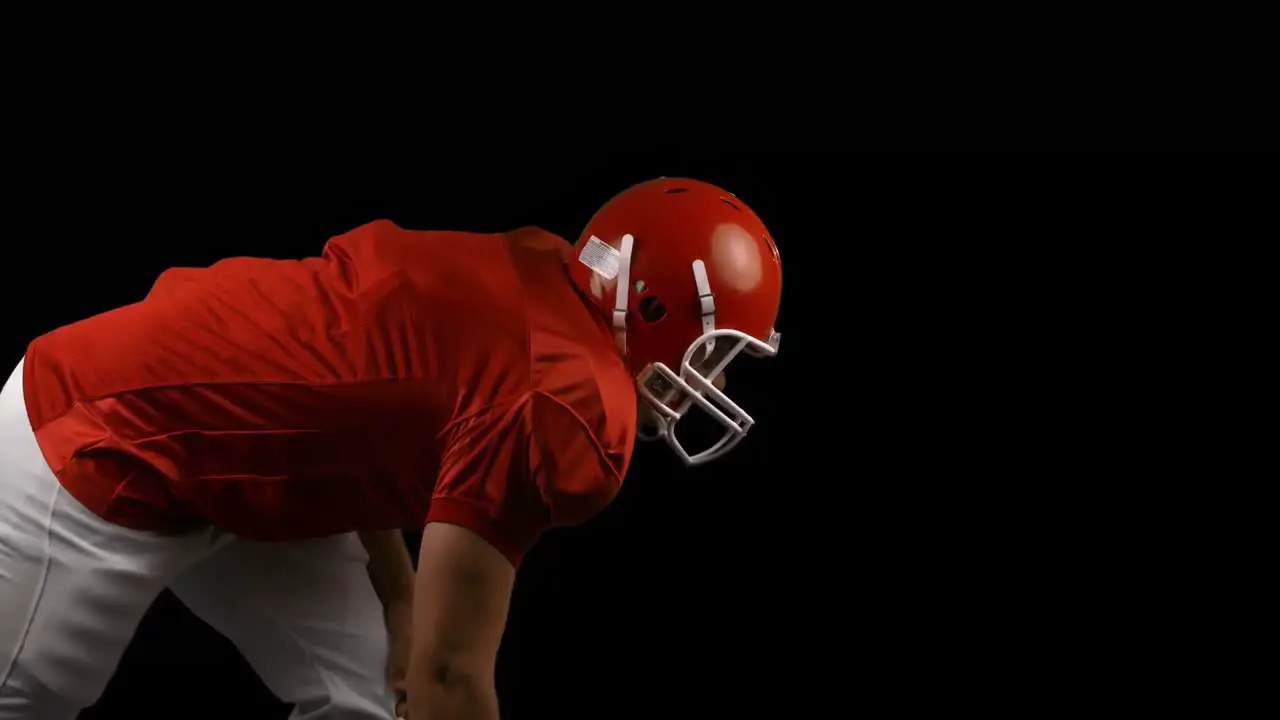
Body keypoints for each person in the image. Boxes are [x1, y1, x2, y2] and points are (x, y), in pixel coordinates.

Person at [0, 177, 783, 719]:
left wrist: (401, 601)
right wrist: (421, 639)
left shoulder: (538, 277)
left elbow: (364, 415)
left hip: (245, 449)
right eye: (712, 351)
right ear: (646, 304)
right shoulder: (570, 402)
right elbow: (451, 676)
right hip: (98, 437)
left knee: (370, 695)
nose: (706, 376)